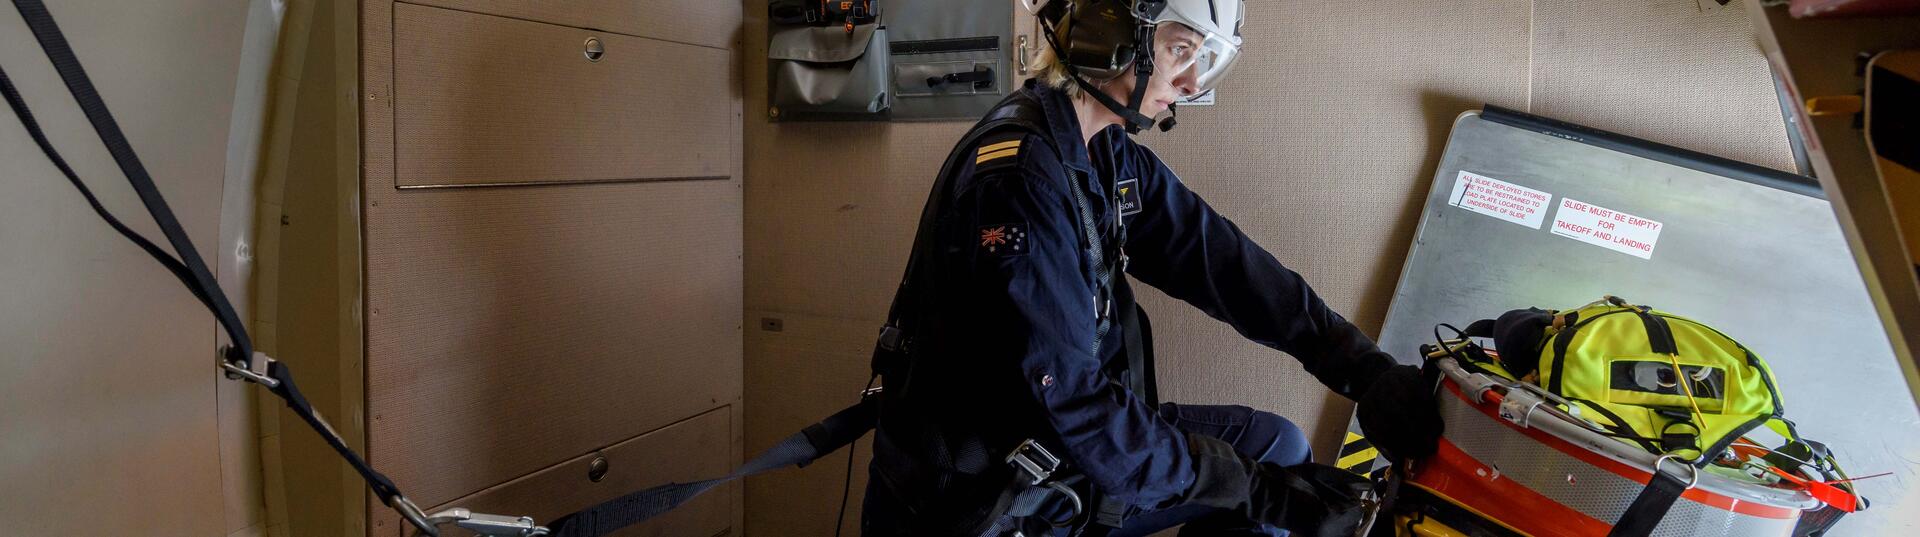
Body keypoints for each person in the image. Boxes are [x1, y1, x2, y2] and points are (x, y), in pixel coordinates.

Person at [860, 1, 1440, 535]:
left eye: (1202, 59)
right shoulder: (1021, 182)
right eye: (1180, 51)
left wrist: (1366, 371)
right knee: (1267, 478)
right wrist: (1267, 497)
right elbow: (1078, 407)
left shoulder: (1104, 153)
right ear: (1106, 30)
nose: (1190, 83)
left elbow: (1226, 265)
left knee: (1278, 446)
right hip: (987, 495)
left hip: (1063, 450)